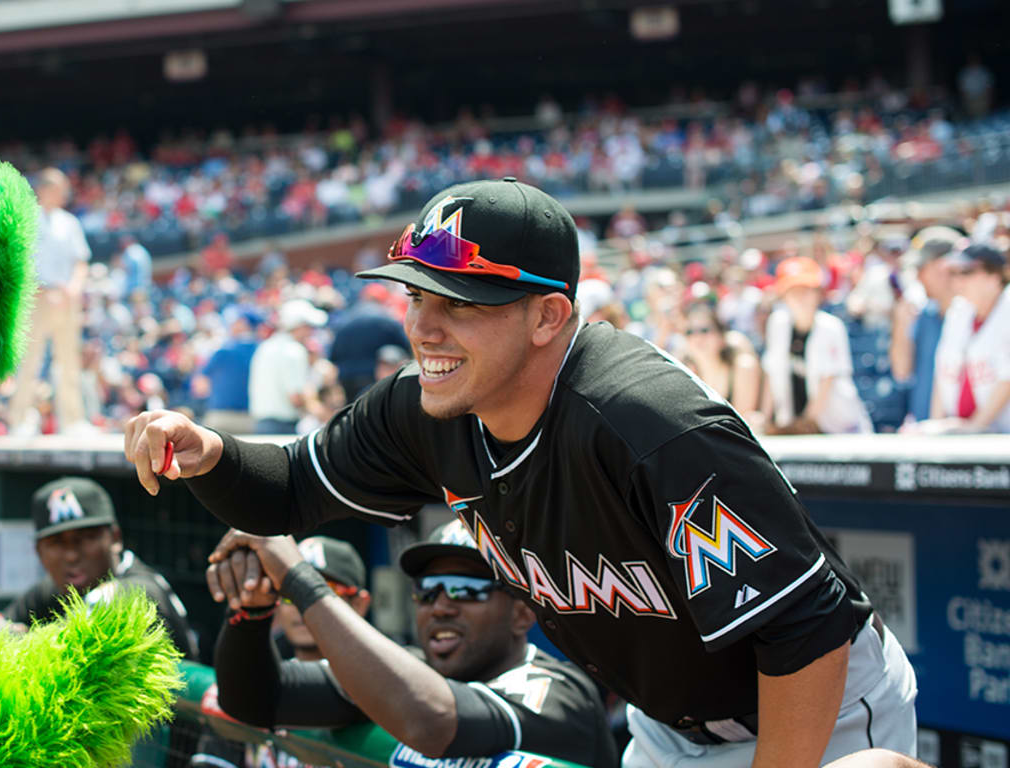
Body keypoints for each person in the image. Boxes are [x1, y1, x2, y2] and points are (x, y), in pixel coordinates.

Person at [126, 178, 916, 768]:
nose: (423, 325)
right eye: (415, 294)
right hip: (670, 726)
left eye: (460, 302)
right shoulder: (425, 407)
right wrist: (211, 452)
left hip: (815, 712)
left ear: (549, 316)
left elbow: (803, 630)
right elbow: (290, 488)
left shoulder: (646, 423)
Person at [206, 523, 616, 767]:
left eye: (465, 589)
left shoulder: (557, 691)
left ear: (523, 612)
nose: (441, 606)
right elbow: (257, 700)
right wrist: (252, 608)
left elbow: (432, 721)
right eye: (428, 590)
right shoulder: (416, 671)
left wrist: (299, 580)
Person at [189, 535, 372, 768]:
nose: (299, 605)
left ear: (359, 604)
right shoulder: (254, 662)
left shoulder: (379, 675)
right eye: (289, 593)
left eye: (323, 590)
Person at [5, 476, 199, 661]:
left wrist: (21, 641)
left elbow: (98, 608)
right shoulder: (56, 590)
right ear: (39, 552)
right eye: (56, 543)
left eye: (86, 537)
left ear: (115, 538)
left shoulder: (140, 590)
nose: (72, 555)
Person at [8, 168, 92, 435]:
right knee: (30, 362)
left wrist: (73, 289)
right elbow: (18, 261)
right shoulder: (25, 219)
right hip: (36, 298)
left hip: (66, 298)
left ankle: (73, 421)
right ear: (43, 189)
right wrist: (41, 290)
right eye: (58, 188)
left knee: (68, 361)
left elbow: (80, 261)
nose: (63, 194)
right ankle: (20, 420)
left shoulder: (70, 222)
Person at [761, 257, 873, 434]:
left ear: (818, 293)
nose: (800, 297)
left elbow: (827, 380)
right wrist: (765, 418)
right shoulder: (777, 323)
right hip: (794, 423)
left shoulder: (831, 327)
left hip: (836, 425)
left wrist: (805, 424)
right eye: (793, 291)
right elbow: (771, 371)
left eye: (806, 290)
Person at [923, 243, 1010, 433]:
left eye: (966, 272)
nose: (958, 280)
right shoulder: (959, 311)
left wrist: (974, 428)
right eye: (954, 273)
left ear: (994, 277)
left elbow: (1007, 380)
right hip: (962, 431)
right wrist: (937, 425)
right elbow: (944, 372)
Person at [890, 229, 961, 425]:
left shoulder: (973, 315)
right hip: (925, 431)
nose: (918, 279)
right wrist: (901, 322)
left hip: (965, 435)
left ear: (943, 267)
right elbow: (902, 372)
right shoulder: (923, 315)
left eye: (921, 269)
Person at [248, 299, 330, 434]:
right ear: (299, 326)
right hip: (282, 426)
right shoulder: (293, 350)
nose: (312, 332)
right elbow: (296, 397)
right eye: (309, 327)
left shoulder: (266, 346)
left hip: (262, 424)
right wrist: (326, 416)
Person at [680, 301, 764, 428]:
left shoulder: (743, 366)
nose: (697, 338)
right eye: (690, 332)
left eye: (704, 330)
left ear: (722, 337)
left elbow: (742, 421)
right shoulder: (686, 373)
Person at [329, 284, 410, 401]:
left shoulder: (346, 319)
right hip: (376, 378)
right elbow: (407, 347)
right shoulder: (387, 319)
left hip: (347, 379)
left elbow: (333, 355)